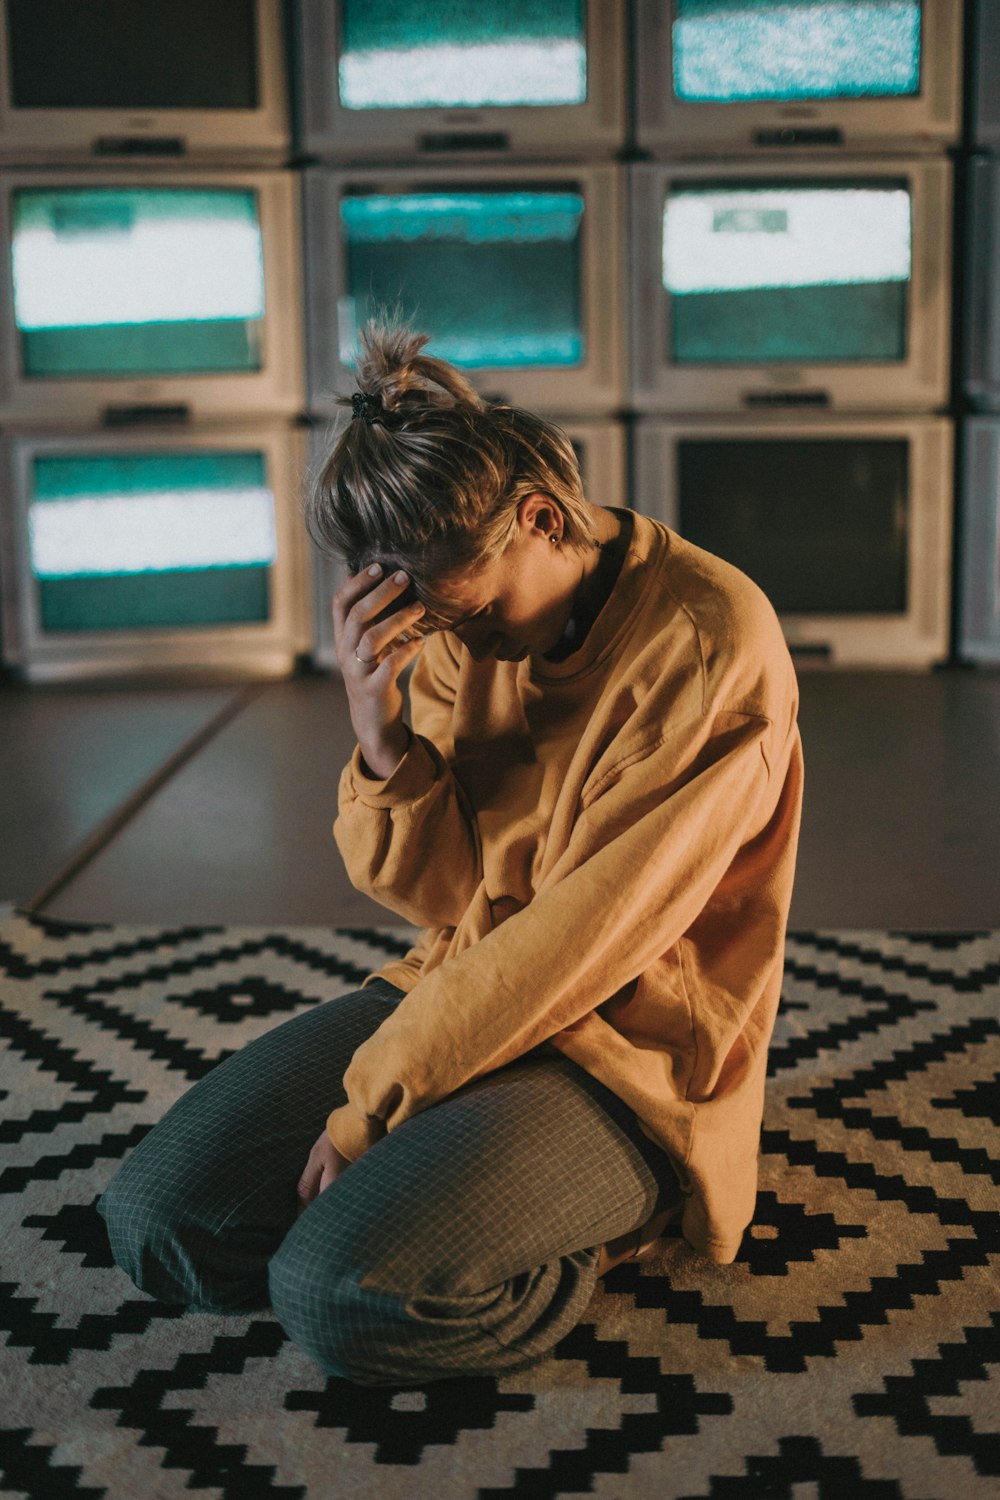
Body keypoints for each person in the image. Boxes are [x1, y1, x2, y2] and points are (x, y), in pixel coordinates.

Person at [99, 322, 804, 1387]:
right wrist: (378, 732)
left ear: (538, 516)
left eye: (473, 617)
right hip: (466, 982)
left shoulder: (708, 641)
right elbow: (437, 895)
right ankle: (452, 1180)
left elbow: (576, 946)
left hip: (627, 1040)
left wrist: (377, 1100)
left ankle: (629, 1206)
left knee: (340, 1298)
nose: (460, 648)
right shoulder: (450, 621)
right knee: (158, 1223)